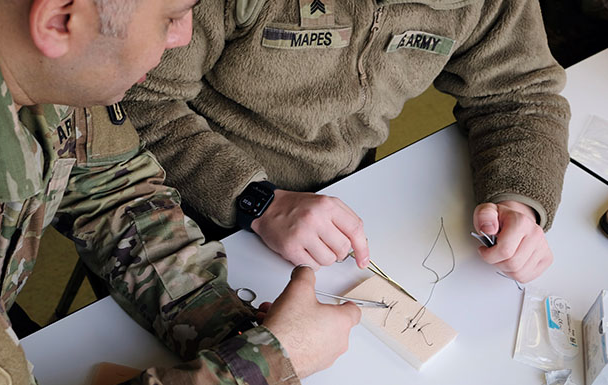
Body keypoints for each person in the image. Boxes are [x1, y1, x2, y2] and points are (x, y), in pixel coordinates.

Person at [0, 0, 360, 384]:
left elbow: (120, 196)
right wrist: (268, 362)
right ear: (59, 20)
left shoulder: (56, 63)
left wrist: (226, 325)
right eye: (171, 16)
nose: (183, 36)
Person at [124, 0, 571, 283]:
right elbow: (137, 101)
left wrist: (519, 200)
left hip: (344, 189)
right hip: (183, 194)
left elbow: (520, 93)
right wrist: (257, 201)